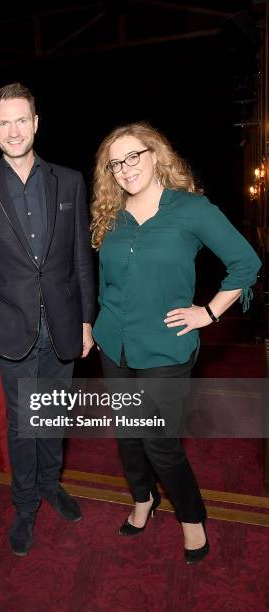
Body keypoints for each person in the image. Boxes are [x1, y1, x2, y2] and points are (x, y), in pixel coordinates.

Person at [90, 122, 261, 564]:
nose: (125, 169)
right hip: (115, 343)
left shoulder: (192, 209)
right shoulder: (111, 214)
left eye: (133, 157)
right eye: (116, 163)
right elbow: (104, 280)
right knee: (128, 435)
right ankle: (143, 499)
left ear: (155, 155)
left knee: (158, 442)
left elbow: (246, 264)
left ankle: (191, 518)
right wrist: (93, 323)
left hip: (166, 348)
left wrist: (208, 312)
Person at [0, 83, 96, 556]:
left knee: (54, 415)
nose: (14, 130)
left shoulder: (69, 181)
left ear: (36, 123)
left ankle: (50, 486)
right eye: (4, 122)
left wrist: (86, 322)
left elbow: (82, 257)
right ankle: (24, 505)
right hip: (11, 328)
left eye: (23, 119)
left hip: (63, 323)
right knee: (23, 423)